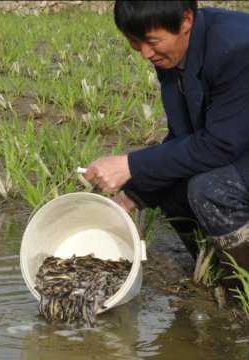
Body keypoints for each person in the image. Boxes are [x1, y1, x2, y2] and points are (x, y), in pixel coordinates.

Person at [84, 0, 249, 272]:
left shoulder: (237, 48)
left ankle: (241, 287)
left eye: (151, 41)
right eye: (135, 42)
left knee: (211, 189)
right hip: (237, 138)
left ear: (186, 20)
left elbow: (219, 145)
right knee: (169, 184)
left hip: (234, 143)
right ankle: (213, 273)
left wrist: (130, 165)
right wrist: (132, 195)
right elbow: (183, 136)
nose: (145, 53)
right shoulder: (173, 53)